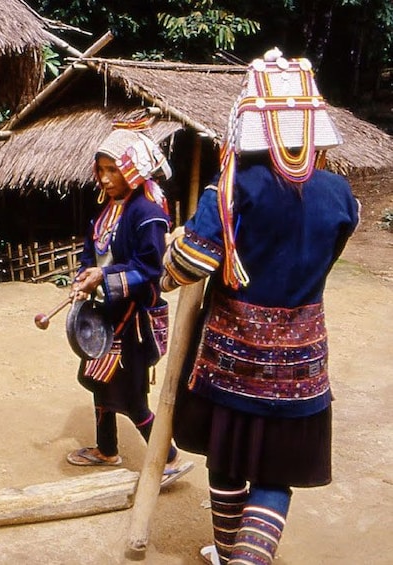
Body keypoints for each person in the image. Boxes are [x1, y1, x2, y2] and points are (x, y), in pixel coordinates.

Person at [162, 49, 359, 565]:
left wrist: (171, 256)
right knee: (276, 473)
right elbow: (328, 260)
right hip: (302, 361)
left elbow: (188, 265)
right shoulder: (341, 195)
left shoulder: (231, 189)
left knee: (227, 461)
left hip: (233, 358)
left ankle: (234, 556)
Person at [65, 126, 191, 486]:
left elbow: (150, 270)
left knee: (132, 394)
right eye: (100, 170)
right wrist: (81, 279)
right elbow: (90, 255)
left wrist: (102, 279)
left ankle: (167, 457)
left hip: (133, 320)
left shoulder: (147, 214)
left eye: (112, 170)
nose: (104, 179)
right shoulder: (106, 213)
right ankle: (107, 449)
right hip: (106, 314)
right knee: (99, 380)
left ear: (132, 171)